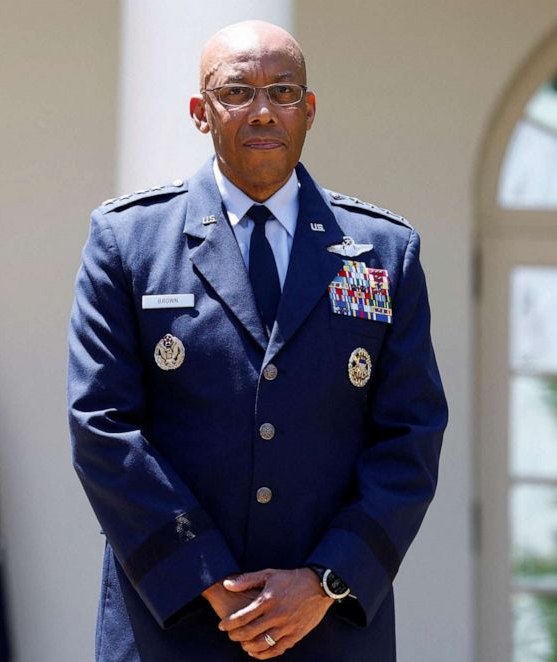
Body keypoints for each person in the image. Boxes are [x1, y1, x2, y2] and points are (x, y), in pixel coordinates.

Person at [68, 20, 446, 661]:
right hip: (175, 628)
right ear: (200, 111)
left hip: (328, 631)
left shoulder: (384, 252)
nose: (264, 110)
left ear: (310, 110)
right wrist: (208, 578)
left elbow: (409, 438)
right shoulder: (128, 242)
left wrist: (325, 581)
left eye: (284, 91)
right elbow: (103, 430)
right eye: (237, 91)